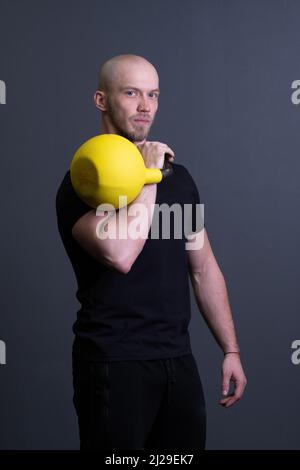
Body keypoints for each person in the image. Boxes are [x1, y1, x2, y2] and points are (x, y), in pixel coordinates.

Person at [55, 54, 247, 450]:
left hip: (177, 360)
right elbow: (120, 254)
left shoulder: (179, 180)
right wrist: (149, 176)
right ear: (101, 100)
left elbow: (203, 267)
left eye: (153, 95)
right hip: (113, 361)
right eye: (131, 93)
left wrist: (230, 349)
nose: (146, 106)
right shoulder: (82, 181)